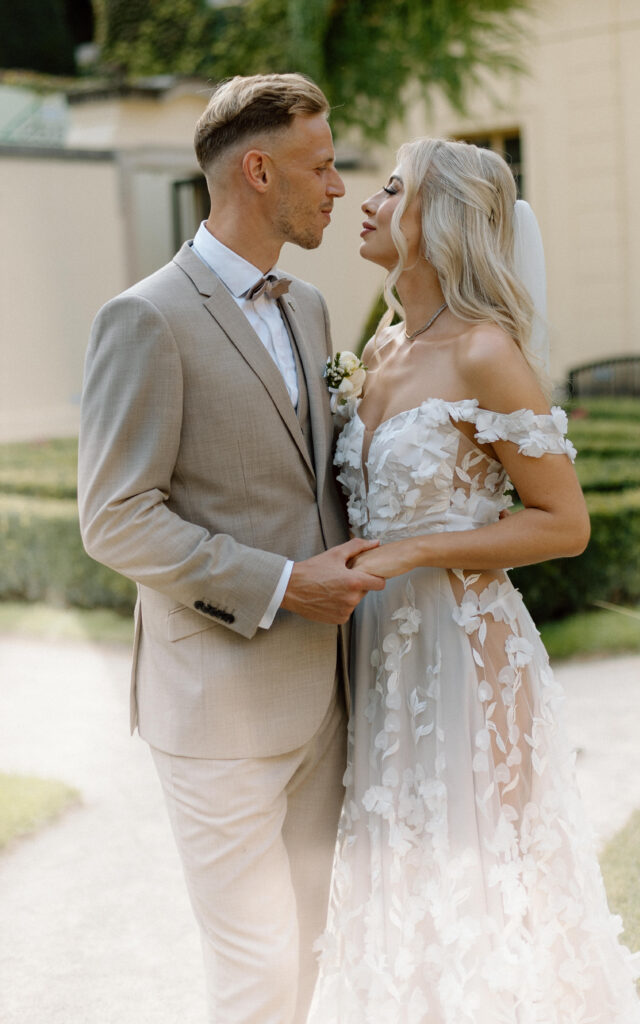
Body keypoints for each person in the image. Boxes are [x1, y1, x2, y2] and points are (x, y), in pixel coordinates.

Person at [308, 139, 640, 1023]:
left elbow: (563, 524)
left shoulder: (483, 351)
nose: (367, 201)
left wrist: (415, 552)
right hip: (380, 655)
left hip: (466, 657)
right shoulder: (380, 349)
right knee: (400, 874)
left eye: (392, 189)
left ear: (443, 218)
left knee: (483, 879)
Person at [77, 73, 386, 1024]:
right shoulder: (147, 317)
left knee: (313, 950)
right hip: (217, 715)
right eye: (321, 165)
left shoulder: (310, 310)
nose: (338, 187)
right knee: (255, 976)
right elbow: (117, 517)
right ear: (258, 170)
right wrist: (283, 584)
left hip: (327, 700)